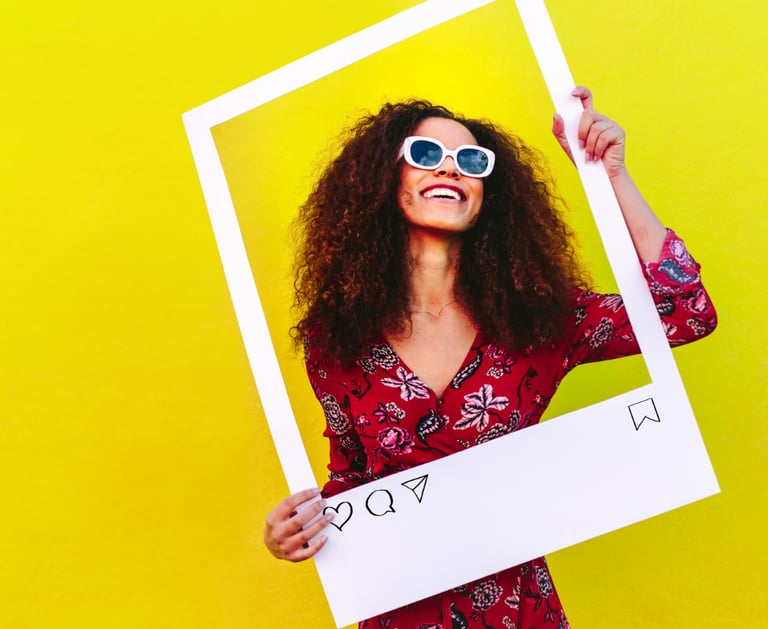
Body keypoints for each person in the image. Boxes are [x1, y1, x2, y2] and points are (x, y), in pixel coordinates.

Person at [263, 87, 717, 628]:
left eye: (472, 162)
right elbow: (352, 479)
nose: (452, 171)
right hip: (399, 610)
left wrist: (609, 175)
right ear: (385, 180)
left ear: (488, 195)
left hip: (518, 609)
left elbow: (685, 313)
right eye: (427, 155)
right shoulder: (335, 335)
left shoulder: (537, 320)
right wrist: (296, 530)